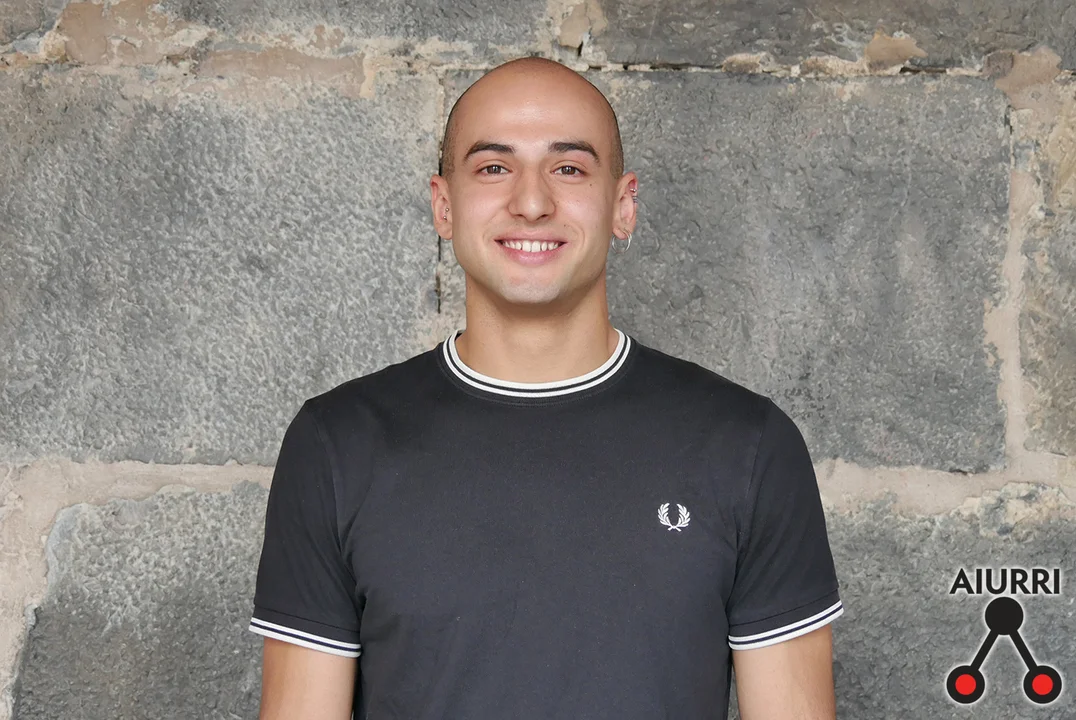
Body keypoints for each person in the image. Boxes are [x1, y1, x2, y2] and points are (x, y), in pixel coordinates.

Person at [248, 55, 843, 719]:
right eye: (493, 167)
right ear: (444, 205)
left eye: (569, 168)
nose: (531, 203)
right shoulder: (336, 445)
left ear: (623, 205)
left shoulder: (748, 446)